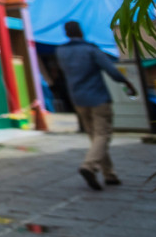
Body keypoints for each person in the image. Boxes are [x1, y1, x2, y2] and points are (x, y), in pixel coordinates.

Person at [56, 20, 137, 190]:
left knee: (96, 137)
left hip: (78, 99)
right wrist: (127, 84)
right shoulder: (90, 49)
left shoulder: (61, 51)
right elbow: (112, 70)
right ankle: (89, 165)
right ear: (81, 31)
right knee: (103, 135)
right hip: (98, 98)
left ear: (66, 33)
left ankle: (110, 175)